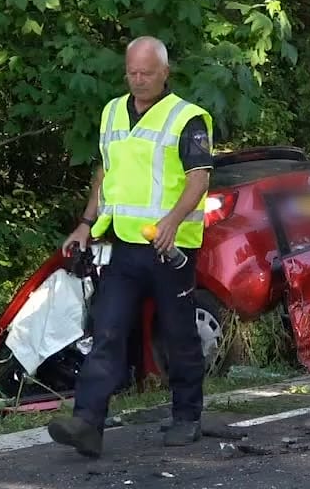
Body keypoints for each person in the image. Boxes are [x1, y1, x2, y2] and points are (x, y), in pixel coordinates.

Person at [48, 37, 215, 458]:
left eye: (147, 73)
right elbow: (106, 173)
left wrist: (171, 224)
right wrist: (86, 224)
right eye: (132, 72)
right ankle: (87, 422)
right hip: (123, 243)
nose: (139, 80)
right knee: (107, 329)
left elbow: (199, 178)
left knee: (178, 332)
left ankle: (186, 416)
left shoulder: (188, 118)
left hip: (169, 247)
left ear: (165, 73)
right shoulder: (111, 112)